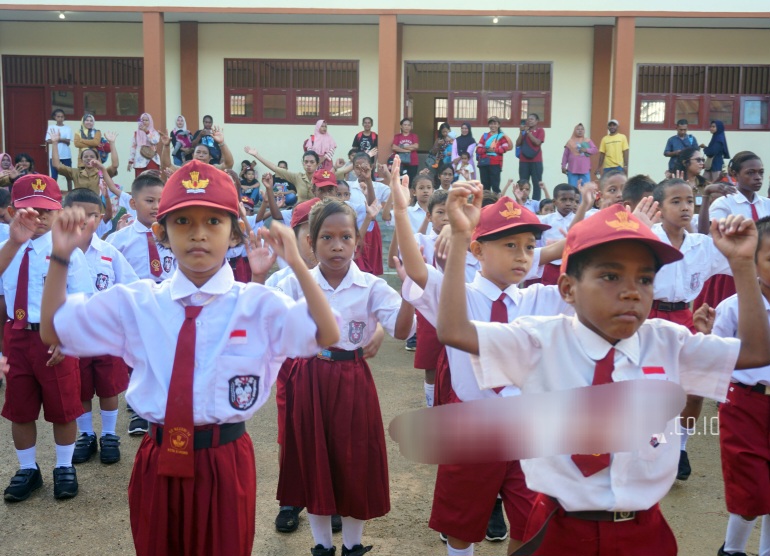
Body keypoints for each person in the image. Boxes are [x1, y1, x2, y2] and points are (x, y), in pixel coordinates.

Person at [438, 185, 770, 556]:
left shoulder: (668, 342)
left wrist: (743, 266)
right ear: (567, 289)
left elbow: (756, 352)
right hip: (558, 527)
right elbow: (454, 331)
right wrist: (462, 236)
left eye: (645, 279)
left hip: (643, 531)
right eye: (611, 277)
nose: (632, 292)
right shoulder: (539, 340)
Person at [39, 159, 339, 556]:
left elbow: (326, 335)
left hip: (224, 459)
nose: (199, 234)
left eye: (214, 221)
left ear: (236, 232)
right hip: (158, 456)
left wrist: (298, 264)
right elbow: (53, 331)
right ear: (160, 231)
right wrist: (61, 256)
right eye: (183, 222)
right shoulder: (139, 302)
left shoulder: (257, 305)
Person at [275, 196, 415, 556]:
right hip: (309, 377)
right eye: (327, 237)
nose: (337, 246)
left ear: (358, 240)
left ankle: (353, 545)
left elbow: (402, 331)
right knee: (314, 458)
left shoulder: (371, 286)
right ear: (311, 242)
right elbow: (267, 321)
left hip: (353, 378)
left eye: (346, 237)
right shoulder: (294, 283)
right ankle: (321, 546)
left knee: (355, 460)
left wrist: (410, 293)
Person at [0, 174, 94, 503]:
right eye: (30, 210)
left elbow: (82, 298)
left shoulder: (66, 251)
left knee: (63, 406)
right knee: (19, 408)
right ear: (13, 212)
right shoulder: (8, 250)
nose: (39, 218)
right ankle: (28, 468)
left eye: (46, 211)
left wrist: (66, 338)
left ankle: (64, 466)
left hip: (54, 337)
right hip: (17, 335)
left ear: (59, 212)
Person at [649, 178, 738, 481]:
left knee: (696, 388)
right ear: (659, 208)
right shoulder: (646, 238)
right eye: (676, 201)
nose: (685, 207)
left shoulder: (702, 245)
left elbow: (741, 264)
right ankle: (651, 444)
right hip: (646, 318)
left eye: (689, 201)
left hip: (685, 317)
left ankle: (680, 447)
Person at [61, 188, 139, 466]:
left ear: (101, 216)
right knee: (80, 389)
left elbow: (130, 286)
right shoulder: (58, 253)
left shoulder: (109, 252)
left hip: (107, 334)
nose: (85, 220)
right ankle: (86, 435)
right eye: (78, 214)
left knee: (108, 388)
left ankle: (108, 435)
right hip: (74, 335)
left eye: (92, 215)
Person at [712, 216, 770, 556]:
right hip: (745, 403)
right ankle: (732, 550)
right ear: (753, 261)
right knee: (750, 489)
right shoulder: (732, 308)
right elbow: (715, 355)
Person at [696, 152, 768, 311]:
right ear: (734, 174)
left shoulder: (766, 204)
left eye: (760, 172)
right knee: (730, 315)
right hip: (731, 273)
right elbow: (705, 232)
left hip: (761, 272)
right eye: (750, 173)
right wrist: (706, 194)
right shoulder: (724, 203)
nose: (758, 177)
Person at [49, 129, 119, 194]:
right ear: (81, 160)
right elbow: (56, 165)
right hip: (79, 203)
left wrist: (112, 143)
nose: (88, 158)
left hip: (97, 203)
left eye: (92, 157)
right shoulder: (75, 173)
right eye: (85, 157)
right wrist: (55, 143)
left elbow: (115, 165)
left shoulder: (103, 173)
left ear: (97, 160)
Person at [245, 148, 321, 203]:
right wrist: (256, 155)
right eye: (306, 162)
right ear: (302, 163)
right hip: (301, 212)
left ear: (317, 164)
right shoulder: (298, 177)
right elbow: (275, 168)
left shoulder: (321, 179)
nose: (308, 164)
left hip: (317, 212)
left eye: (312, 162)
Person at [476, 117, 512, 194]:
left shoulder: (502, 137)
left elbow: (504, 149)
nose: (493, 126)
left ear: (498, 125)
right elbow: (478, 149)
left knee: (495, 187)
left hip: (496, 164)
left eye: (495, 123)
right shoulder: (484, 136)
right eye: (491, 124)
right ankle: (486, 201)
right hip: (484, 164)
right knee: (485, 187)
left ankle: (496, 201)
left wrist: (494, 150)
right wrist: (486, 150)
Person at [516, 114, 546, 200]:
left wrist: (528, 133)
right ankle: (524, 202)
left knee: (537, 183)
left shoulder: (540, 130)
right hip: (523, 161)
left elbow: (537, 142)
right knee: (523, 183)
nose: (529, 121)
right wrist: (521, 132)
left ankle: (535, 203)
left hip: (536, 161)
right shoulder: (524, 131)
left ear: (537, 121)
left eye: (532, 119)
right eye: (528, 119)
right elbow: (518, 143)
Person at [673, 147, 708, 214]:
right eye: (698, 160)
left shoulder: (705, 184)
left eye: (703, 160)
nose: (702, 163)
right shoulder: (671, 184)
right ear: (685, 162)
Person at [46, 109, 74, 191]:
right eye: (58, 116)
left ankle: (70, 193)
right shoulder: (51, 127)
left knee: (69, 176)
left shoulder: (67, 128)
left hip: (66, 155)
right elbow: (48, 140)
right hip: (54, 155)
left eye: (62, 117)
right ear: (54, 117)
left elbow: (68, 141)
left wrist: (57, 139)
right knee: (54, 176)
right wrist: (61, 139)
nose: (60, 118)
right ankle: (53, 192)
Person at [128, 113, 161, 177]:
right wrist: (130, 161)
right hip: (139, 161)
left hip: (151, 159)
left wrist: (147, 132)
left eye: (146, 120)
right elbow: (133, 147)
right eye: (143, 120)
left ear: (150, 121)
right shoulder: (136, 133)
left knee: (153, 180)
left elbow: (155, 141)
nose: (144, 122)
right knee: (140, 181)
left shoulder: (154, 132)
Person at [391, 118, 420, 183]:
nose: (407, 127)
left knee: (411, 180)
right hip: (400, 162)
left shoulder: (414, 136)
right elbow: (394, 147)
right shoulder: (397, 136)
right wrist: (407, 150)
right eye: (405, 125)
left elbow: (416, 146)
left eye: (409, 125)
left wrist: (402, 146)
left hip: (413, 161)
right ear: (401, 126)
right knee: (400, 180)